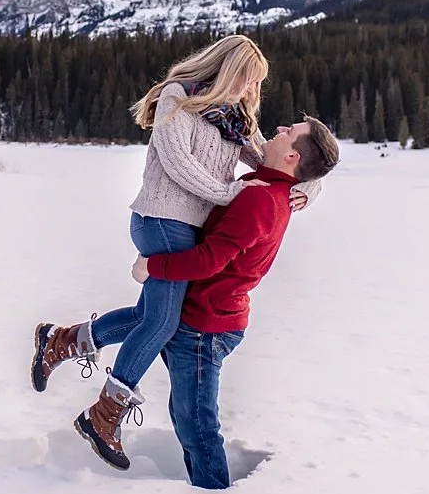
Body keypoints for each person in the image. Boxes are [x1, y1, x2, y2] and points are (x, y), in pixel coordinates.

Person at [30, 34, 319, 466]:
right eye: (246, 80)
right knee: (163, 321)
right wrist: (232, 194)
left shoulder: (234, 117)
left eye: (254, 85)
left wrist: (310, 188)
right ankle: (104, 414)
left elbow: (278, 160)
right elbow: (177, 163)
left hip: (188, 228)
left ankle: (63, 341)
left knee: (150, 317)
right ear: (226, 69)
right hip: (161, 219)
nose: (249, 92)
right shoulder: (178, 98)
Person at [136, 116, 340, 489]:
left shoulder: (260, 198)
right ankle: (74, 338)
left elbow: (208, 260)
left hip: (205, 327)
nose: (279, 130)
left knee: (197, 426)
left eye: (288, 133)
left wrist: (152, 265)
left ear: (293, 156)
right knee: (186, 416)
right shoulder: (264, 186)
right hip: (206, 319)